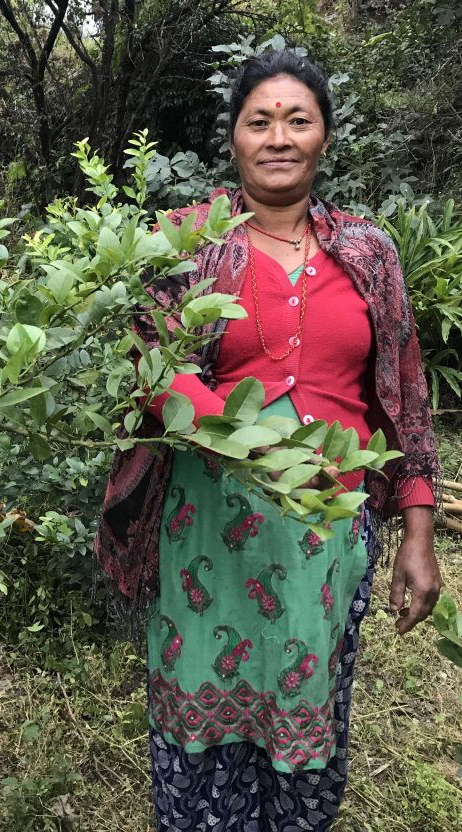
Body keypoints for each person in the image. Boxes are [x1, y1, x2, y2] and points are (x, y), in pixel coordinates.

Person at [94, 49, 442, 832]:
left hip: (326, 536)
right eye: (260, 121)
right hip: (204, 531)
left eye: (298, 120)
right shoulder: (183, 243)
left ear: (323, 138)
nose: (278, 136)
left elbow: (406, 401)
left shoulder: (368, 253)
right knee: (200, 719)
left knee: (307, 705)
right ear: (235, 139)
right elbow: (152, 364)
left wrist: (418, 532)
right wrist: (243, 442)